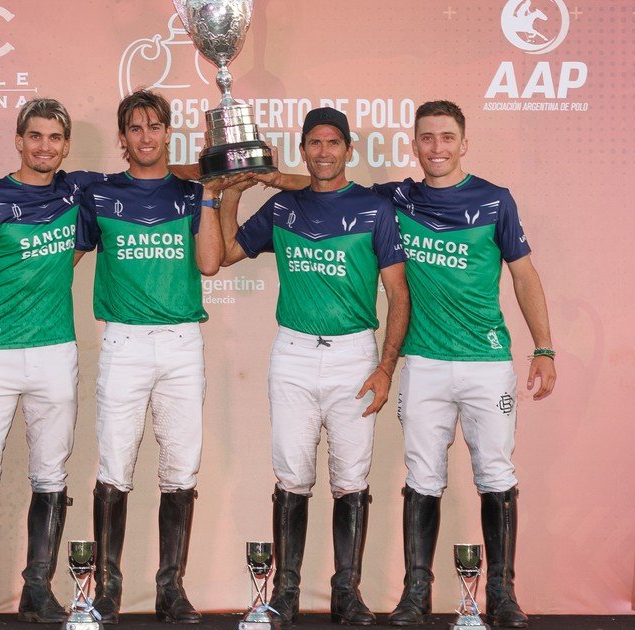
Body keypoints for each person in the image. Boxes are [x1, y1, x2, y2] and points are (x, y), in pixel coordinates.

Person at [217, 107, 410, 626]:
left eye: (333, 143)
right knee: (292, 475)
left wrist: (385, 368)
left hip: (355, 356)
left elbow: (398, 294)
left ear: (348, 149)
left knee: (351, 479)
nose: (323, 152)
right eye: (314, 143)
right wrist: (232, 191)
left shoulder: (375, 210)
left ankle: (346, 593)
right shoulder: (283, 208)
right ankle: (285, 593)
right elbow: (229, 252)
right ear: (303, 150)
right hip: (295, 355)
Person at [377, 100, 555, 629]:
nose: (437, 147)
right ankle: (415, 595)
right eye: (427, 138)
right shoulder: (396, 199)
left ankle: (501, 594)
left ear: (464, 142)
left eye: (447, 137)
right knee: (422, 478)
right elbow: (324, 183)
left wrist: (543, 347)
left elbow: (524, 275)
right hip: (424, 364)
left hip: (487, 364)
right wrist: (263, 174)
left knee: (496, 474)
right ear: (414, 143)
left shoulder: (495, 200)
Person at [0, 98, 105, 624]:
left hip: (56, 352)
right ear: (19, 140)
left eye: (54, 138)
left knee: (50, 474)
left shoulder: (75, 193)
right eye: (34, 136)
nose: (44, 146)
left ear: (66, 145)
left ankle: (37, 589)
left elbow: (146, 176)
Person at [74, 89, 223, 625]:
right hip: (123, 343)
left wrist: (208, 194)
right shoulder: (99, 195)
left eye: (154, 127)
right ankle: (108, 589)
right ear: (122, 137)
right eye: (134, 128)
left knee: (180, 468)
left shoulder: (190, 194)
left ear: (167, 133)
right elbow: (66, 261)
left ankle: (170, 589)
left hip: (182, 342)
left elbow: (209, 264)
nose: (145, 137)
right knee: (114, 465)